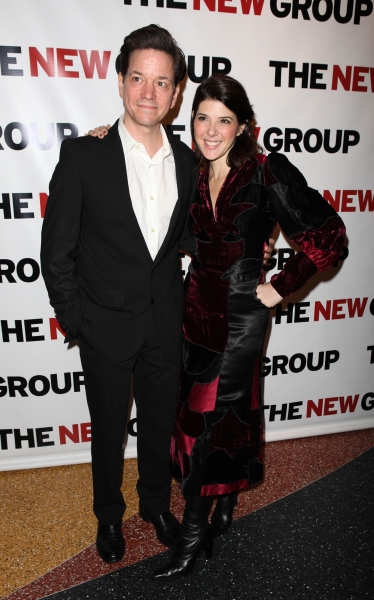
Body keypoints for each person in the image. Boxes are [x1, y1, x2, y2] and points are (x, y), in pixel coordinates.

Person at [41, 23, 276, 566]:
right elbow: (56, 253)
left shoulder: (191, 159)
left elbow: (201, 232)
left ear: (175, 93)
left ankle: (154, 505)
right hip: (102, 325)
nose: (149, 92)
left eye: (162, 82)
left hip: (168, 322)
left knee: (157, 426)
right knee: (106, 430)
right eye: (139, 79)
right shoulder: (83, 155)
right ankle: (107, 514)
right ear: (121, 82)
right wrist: (76, 321)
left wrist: (247, 253)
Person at [148, 75, 346, 580]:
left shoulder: (265, 170)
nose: (210, 130)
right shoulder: (189, 167)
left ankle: (193, 537)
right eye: (202, 117)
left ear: (242, 126)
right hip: (194, 311)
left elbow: (329, 235)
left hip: (241, 316)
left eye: (224, 120)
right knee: (226, 414)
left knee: (206, 424)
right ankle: (228, 500)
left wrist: (281, 285)